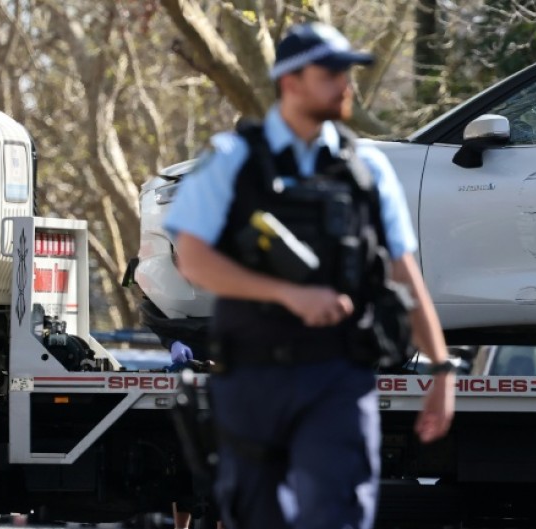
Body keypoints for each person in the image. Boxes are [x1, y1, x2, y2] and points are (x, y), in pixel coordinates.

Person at [162, 21, 455, 529]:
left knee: (336, 517)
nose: (347, 84)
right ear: (291, 82)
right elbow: (192, 259)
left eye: (349, 73)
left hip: (338, 377)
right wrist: (288, 294)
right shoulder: (230, 161)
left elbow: (406, 273)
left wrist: (442, 371)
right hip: (254, 378)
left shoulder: (369, 169)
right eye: (332, 73)